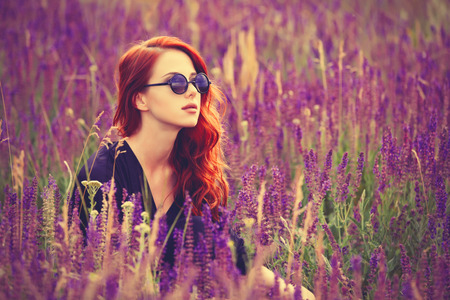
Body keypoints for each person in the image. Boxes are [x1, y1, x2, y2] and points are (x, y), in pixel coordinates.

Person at [73, 36, 314, 299]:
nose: (192, 91)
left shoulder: (192, 164)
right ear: (140, 99)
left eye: (197, 82)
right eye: (176, 83)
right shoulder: (103, 176)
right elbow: (100, 275)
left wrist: (294, 292)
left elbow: (234, 255)